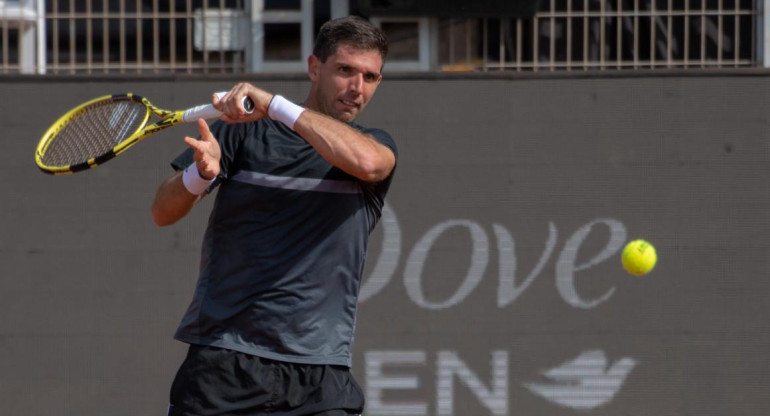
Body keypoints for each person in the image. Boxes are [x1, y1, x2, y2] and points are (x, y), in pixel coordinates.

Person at [151, 15, 396, 416]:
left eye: (369, 77)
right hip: (224, 364)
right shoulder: (240, 132)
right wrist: (200, 173)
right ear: (315, 67)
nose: (356, 88)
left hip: (320, 379)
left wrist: (273, 104)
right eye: (345, 71)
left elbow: (369, 163)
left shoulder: (373, 146)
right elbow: (162, 211)